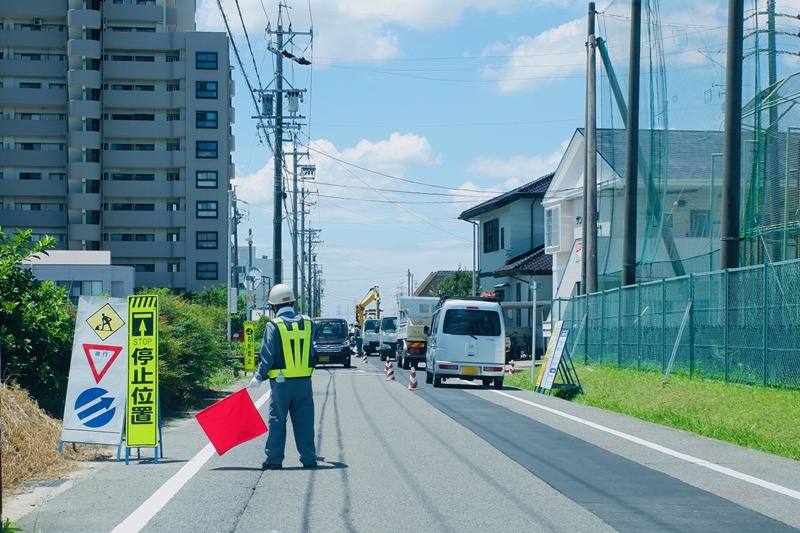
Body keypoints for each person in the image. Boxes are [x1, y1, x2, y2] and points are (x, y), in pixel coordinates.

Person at [249, 283, 317, 470]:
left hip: (281, 384)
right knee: (304, 421)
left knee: (277, 420)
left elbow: (267, 355)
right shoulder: (309, 323)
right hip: (304, 382)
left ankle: (274, 460)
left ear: (274, 306)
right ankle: (309, 459)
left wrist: (258, 377)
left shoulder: (274, 325)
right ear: (293, 302)